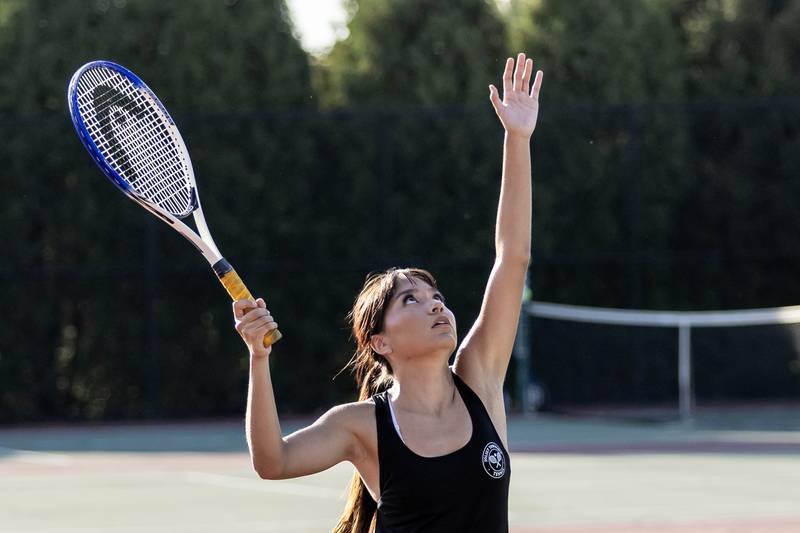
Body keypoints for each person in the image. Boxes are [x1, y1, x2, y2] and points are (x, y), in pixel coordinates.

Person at [232, 53, 543, 533]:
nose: (435, 303)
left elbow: (512, 256)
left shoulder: (479, 378)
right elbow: (272, 462)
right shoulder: (361, 426)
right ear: (380, 342)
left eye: (434, 294)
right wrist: (257, 358)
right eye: (411, 300)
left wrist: (517, 139)